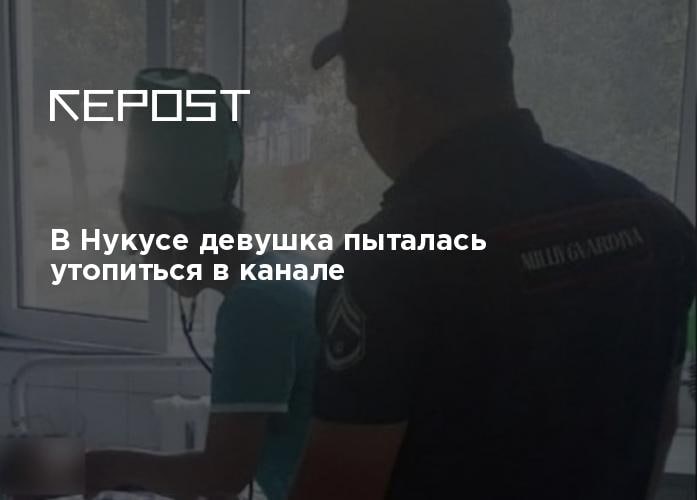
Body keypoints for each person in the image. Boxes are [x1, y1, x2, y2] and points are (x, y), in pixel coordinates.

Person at [291, 1, 697, 499]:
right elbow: (658, 427)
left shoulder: (389, 263)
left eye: (356, 103)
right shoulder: (655, 223)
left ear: (388, 94)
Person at [83, 69, 318, 500]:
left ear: (173, 230)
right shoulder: (283, 267)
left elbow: (220, 477)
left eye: (142, 244)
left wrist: (103, 466)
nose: (147, 263)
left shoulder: (254, 308)